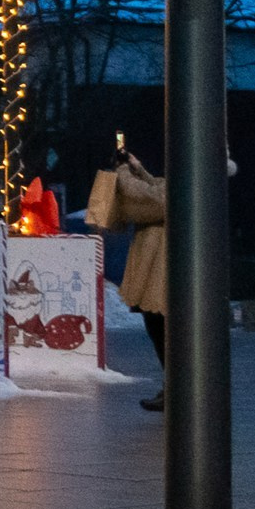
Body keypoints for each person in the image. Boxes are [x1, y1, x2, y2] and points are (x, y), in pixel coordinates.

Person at [108, 151, 170, 410]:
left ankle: (177, 390)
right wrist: (139, 169)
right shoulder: (193, 177)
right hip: (158, 266)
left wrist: (123, 173)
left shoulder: (191, 179)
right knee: (158, 328)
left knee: (162, 328)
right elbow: (157, 188)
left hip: (162, 267)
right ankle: (174, 387)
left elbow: (153, 200)